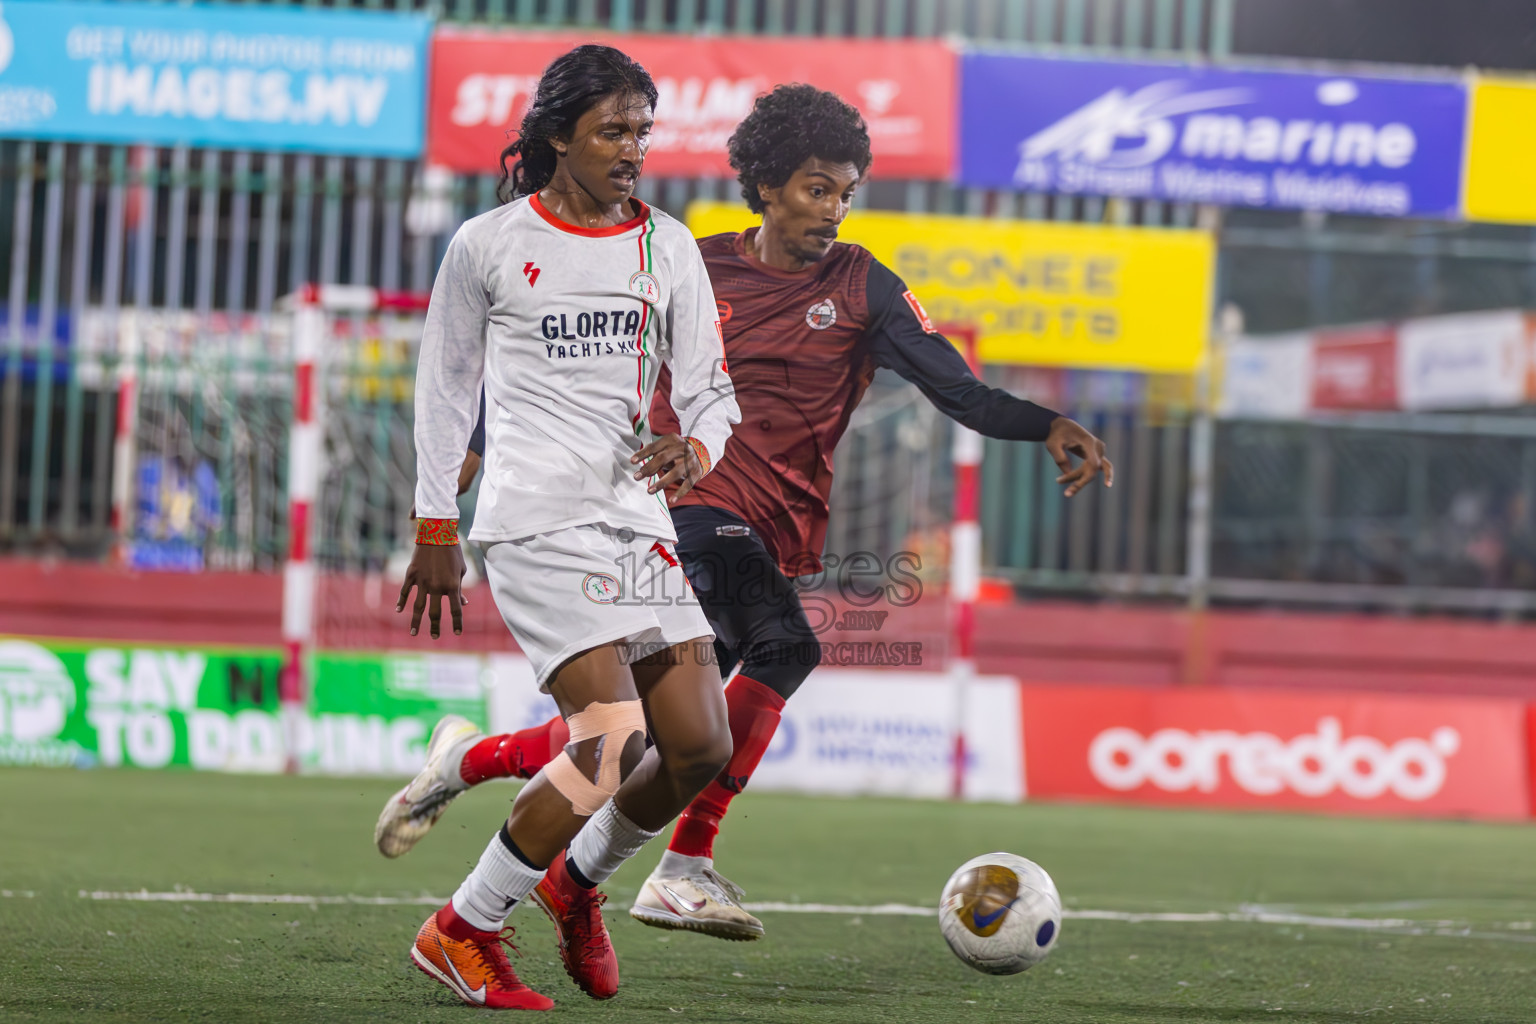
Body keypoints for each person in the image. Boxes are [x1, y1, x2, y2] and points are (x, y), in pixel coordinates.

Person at [381, 85, 1110, 947]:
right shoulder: (684, 260)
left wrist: (1048, 424)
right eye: (815, 188)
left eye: (845, 192)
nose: (834, 210)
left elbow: (957, 388)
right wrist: (451, 488)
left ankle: (471, 767)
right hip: (676, 507)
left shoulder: (863, 287)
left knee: (655, 736)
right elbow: (561, 379)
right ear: (766, 185)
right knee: (786, 646)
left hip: (774, 532)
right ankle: (681, 868)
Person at [390, 44, 738, 1009]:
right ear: (557, 137)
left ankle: (573, 883)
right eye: (612, 130)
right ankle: (461, 928)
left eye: (642, 130)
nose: (633, 149)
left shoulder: (666, 243)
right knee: (612, 741)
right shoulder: (489, 243)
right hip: (536, 520)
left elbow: (713, 393)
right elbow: (445, 391)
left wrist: (696, 450)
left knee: (702, 746)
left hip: (635, 521)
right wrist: (435, 522)